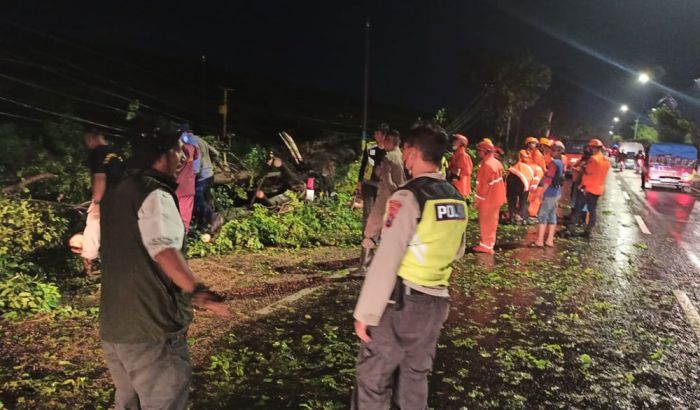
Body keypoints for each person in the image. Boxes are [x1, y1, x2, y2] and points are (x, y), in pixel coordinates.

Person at [99, 116, 229, 409]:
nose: (183, 157)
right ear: (160, 156)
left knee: (127, 402)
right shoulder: (154, 194)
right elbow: (164, 251)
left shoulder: (116, 191)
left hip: (115, 327)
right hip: (151, 329)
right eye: (176, 150)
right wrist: (197, 291)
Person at [352, 122, 466, 409]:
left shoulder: (408, 196)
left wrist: (366, 311)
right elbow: (459, 250)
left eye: (405, 150)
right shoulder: (456, 198)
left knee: (372, 379)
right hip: (436, 303)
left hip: (403, 303)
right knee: (415, 378)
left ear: (413, 153)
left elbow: (387, 258)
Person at [354, 129, 406, 276]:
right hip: (394, 199)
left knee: (370, 230)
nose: (377, 137)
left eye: (380, 135)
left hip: (384, 198)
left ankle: (365, 266)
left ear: (387, 140)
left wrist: (381, 174)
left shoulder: (388, 157)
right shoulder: (401, 156)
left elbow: (389, 182)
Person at [82, 128, 125, 275]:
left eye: (87, 140)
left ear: (91, 138)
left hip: (107, 198)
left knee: (93, 226)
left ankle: (89, 263)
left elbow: (99, 177)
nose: (87, 144)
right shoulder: (118, 152)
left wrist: (97, 202)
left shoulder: (96, 153)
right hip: (124, 197)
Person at [353, 123, 389, 270]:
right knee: (368, 218)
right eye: (375, 133)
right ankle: (366, 256)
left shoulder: (390, 150)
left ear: (384, 135)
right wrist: (359, 182)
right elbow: (363, 165)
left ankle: (377, 249)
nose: (375, 135)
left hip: (382, 189)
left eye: (378, 133)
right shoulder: (370, 147)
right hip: (369, 185)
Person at [564, 138, 611, 238]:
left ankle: (570, 229)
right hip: (597, 190)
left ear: (594, 148)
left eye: (590, 147)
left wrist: (580, 168)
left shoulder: (593, 159)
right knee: (592, 210)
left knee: (577, 209)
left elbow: (587, 172)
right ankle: (588, 231)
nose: (589, 149)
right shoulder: (606, 161)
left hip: (587, 189)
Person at [473, 139, 506, 254]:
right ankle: (488, 244)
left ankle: (486, 246)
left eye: (480, 150)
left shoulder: (487, 165)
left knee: (486, 222)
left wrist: (477, 200)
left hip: (488, 199)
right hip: (496, 197)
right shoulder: (496, 163)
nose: (478, 153)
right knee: (492, 222)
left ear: (486, 151)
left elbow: (482, 186)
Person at [533, 141, 565, 247]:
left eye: (552, 150)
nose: (550, 152)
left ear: (556, 151)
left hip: (550, 193)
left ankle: (540, 241)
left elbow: (548, 180)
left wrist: (541, 193)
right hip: (557, 193)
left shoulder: (553, 163)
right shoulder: (560, 162)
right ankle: (550, 240)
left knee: (542, 216)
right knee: (552, 216)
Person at [175, 133, 199, 233]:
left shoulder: (174, 150)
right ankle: (184, 235)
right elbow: (197, 155)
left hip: (175, 186)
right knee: (185, 214)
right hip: (188, 186)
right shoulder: (193, 148)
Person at [506, 150, 534, 225]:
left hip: (512, 183)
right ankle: (522, 217)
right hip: (524, 185)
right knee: (523, 201)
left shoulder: (514, 167)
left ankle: (512, 216)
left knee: (512, 200)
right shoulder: (529, 167)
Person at [448, 134, 473, 199]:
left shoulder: (463, 156)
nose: (453, 143)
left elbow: (466, 171)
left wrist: (453, 170)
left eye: (456, 141)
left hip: (460, 187)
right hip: (454, 186)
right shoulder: (456, 155)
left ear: (462, 144)